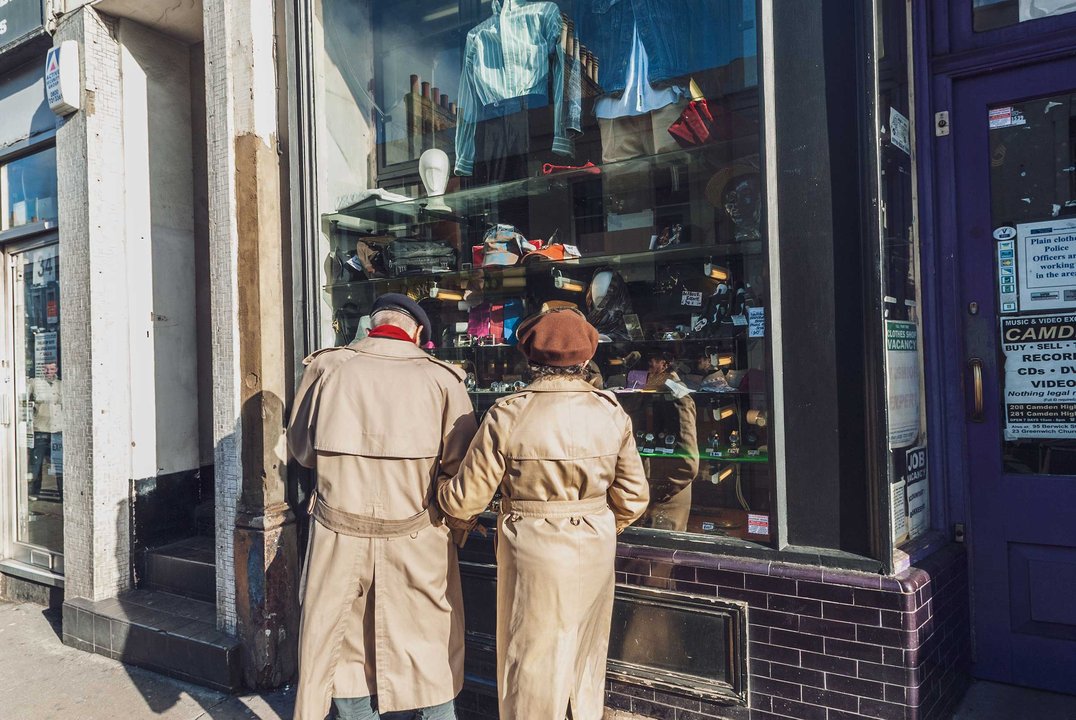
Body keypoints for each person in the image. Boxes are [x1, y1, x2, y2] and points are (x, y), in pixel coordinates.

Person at [438, 308, 650, 720]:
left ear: (531, 359)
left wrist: (443, 493)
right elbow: (634, 496)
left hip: (532, 547)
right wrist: (597, 521)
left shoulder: (508, 413)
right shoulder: (610, 411)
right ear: (585, 359)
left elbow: (464, 500)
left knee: (531, 661)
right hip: (595, 546)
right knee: (584, 656)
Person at [287, 294, 478, 720]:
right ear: (418, 333)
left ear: (371, 326)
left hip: (337, 537)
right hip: (416, 539)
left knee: (342, 657)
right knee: (430, 654)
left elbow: (301, 451)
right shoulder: (443, 379)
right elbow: (460, 470)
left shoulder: (327, 368)